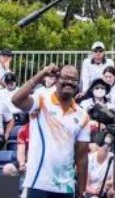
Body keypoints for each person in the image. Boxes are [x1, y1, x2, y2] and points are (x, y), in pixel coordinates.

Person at [11, 63, 90, 198]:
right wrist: (43, 73)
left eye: (74, 80)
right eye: (65, 77)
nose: (69, 82)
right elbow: (16, 100)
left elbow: (82, 157)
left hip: (66, 187)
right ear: (57, 78)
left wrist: (82, 191)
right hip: (38, 182)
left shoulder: (82, 115)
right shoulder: (42, 98)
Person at [85, 133, 115, 198]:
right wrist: (97, 191)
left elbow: (114, 181)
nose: (106, 146)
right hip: (91, 192)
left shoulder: (113, 158)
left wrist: (107, 184)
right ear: (97, 146)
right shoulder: (89, 159)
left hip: (106, 191)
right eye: (103, 143)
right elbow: (86, 186)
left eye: (108, 144)